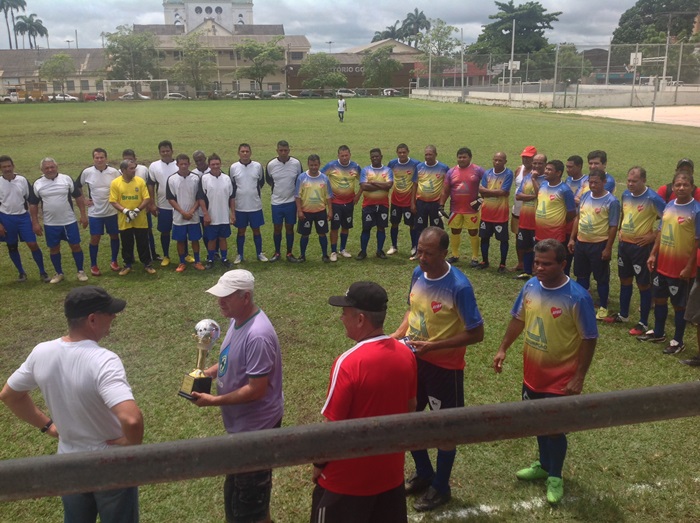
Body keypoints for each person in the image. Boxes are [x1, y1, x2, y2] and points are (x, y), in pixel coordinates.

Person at [0, 286, 144, 522]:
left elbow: (9, 395)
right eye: (110, 313)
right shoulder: (104, 360)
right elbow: (131, 418)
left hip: (68, 463)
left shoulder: (41, 352)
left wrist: (48, 426)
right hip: (112, 465)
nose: (114, 317)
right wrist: (131, 442)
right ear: (93, 319)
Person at [493, 239, 597, 505]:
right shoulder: (529, 286)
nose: (539, 267)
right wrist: (503, 348)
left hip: (560, 379)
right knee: (537, 422)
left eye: (546, 263)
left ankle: (555, 475)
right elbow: (519, 318)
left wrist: (579, 376)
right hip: (532, 373)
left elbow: (588, 338)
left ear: (563, 264)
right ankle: (542, 464)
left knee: (554, 428)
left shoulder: (577, 297)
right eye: (537, 262)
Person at [392, 226, 484, 512]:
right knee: (408, 417)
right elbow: (412, 311)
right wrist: (395, 337)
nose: (422, 257)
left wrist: (435, 345)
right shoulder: (418, 273)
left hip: (445, 368)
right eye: (419, 250)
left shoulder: (459, 286)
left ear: (444, 253)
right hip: (414, 360)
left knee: (445, 428)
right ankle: (424, 473)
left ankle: (441, 487)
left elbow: (476, 333)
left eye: (428, 253)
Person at [311, 282, 417, 523]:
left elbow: (333, 429)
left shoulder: (347, 363)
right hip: (390, 478)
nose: (341, 318)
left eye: (344, 313)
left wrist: (318, 465)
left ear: (360, 319)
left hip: (345, 484)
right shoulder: (406, 355)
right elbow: (411, 409)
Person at [193, 269, 284, 523]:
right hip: (243, 428)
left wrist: (214, 401)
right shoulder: (236, 319)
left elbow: (257, 389)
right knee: (241, 496)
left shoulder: (258, 335)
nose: (219, 301)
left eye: (226, 297)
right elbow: (228, 359)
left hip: (257, 430)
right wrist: (207, 373)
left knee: (248, 507)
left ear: (245, 297)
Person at [638, 171, 700, 355]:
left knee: (679, 305)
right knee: (659, 299)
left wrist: (689, 266)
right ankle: (658, 333)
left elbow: (697, 242)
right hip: (661, 264)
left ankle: (678, 340)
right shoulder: (670, 205)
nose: (681, 188)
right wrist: (652, 254)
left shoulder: (696, 210)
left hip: (680, 267)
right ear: (673, 186)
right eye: (678, 185)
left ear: (692, 187)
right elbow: (661, 231)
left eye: (685, 185)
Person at [603, 167, 664, 333]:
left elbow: (668, 218)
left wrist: (652, 237)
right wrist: (622, 229)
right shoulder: (626, 195)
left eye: (634, 181)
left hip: (641, 248)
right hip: (624, 246)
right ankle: (623, 315)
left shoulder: (653, 198)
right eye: (629, 180)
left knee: (643, 284)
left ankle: (643, 323)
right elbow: (624, 213)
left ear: (643, 180)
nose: (630, 184)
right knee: (625, 280)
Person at [568, 169, 620, 320]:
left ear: (604, 182)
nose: (593, 185)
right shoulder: (585, 196)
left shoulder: (612, 201)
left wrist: (608, 248)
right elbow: (578, 218)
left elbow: (613, 226)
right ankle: (582, 304)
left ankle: (603, 306)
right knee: (581, 275)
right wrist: (572, 238)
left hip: (599, 244)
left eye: (596, 182)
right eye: (590, 182)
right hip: (581, 243)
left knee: (601, 278)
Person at [29, 157, 89, 284]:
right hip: (50, 223)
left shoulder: (66, 179)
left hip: (69, 221)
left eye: (52, 167)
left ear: (57, 167)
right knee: (54, 248)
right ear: (42, 169)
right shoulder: (38, 184)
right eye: (47, 168)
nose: (50, 169)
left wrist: (83, 215)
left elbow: (78, 197)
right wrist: (35, 223)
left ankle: (80, 271)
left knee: (75, 245)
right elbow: (33, 205)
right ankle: (59, 273)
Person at [0, 155, 49, 282]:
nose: (7, 169)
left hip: (23, 217)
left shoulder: (22, 180)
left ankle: (43, 272)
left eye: (9, 166)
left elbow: (31, 200)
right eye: (4, 167)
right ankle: (21, 273)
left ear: (13, 166)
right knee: (12, 246)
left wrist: (35, 220)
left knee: (32, 244)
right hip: (6, 218)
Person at [76, 148, 122, 276]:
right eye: (97, 157)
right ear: (93, 159)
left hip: (111, 211)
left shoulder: (114, 172)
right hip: (95, 212)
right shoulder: (87, 172)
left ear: (106, 158)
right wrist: (84, 198)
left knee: (114, 235)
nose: (99, 160)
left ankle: (114, 261)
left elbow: (121, 186)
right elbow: (77, 186)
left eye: (102, 157)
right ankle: (94, 265)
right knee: (95, 238)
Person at [109, 159, 156, 276]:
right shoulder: (115, 183)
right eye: (131, 168)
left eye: (134, 168)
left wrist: (136, 210)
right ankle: (127, 264)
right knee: (126, 243)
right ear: (123, 170)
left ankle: (147, 264)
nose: (134, 170)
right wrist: (125, 211)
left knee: (143, 242)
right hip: (124, 220)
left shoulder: (140, 181)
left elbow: (147, 198)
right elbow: (113, 201)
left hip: (140, 219)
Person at [439, 147, 485, 266]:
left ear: (470, 157)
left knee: (473, 232)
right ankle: (455, 255)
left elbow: (488, 182)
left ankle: (475, 257)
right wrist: (441, 205)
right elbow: (446, 190)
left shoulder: (478, 170)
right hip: (456, 208)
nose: (462, 159)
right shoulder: (451, 172)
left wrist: (481, 198)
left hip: (471, 209)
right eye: (460, 157)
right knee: (455, 230)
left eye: (464, 157)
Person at [166, 154, 206, 272]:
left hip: (193, 216)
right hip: (179, 216)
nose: (183, 166)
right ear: (177, 164)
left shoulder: (196, 178)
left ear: (189, 164)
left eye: (185, 164)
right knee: (180, 240)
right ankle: (182, 262)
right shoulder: (172, 179)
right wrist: (183, 212)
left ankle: (197, 261)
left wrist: (192, 211)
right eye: (181, 164)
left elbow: (200, 197)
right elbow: (171, 198)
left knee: (195, 239)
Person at [321, 145, 362, 261]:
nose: (344, 157)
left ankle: (342, 249)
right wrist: (327, 194)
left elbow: (363, 181)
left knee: (346, 226)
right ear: (338, 155)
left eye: (346, 155)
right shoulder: (331, 166)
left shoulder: (355, 167)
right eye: (342, 155)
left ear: (350, 155)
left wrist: (358, 195)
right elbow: (320, 178)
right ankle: (333, 251)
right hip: (335, 203)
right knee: (334, 227)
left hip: (349, 202)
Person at [265, 140, 302, 262]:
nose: (283, 153)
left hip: (291, 202)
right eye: (281, 150)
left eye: (285, 150)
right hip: (276, 202)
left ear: (289, 150)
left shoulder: (296, 163)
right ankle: (277, 252)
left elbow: (299, 179)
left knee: (290, 227)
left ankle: (289, 253)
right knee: (277, 228)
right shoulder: (271, 164)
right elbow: (269, 180)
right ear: (277, 151)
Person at [230, 143, 268, 263]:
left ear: (250, 153)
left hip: (254, 205)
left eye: (247, 151)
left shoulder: (257, 166)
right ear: (238, 153)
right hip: (240, 206)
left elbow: (261, 182)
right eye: (242, 151)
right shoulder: (233, 167)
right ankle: (239, 255)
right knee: (241, 231)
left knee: (256, 230)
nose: (245, 153)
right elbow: (232, 185)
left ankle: (259, 253)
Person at [411, 145, 450, 260]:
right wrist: (413, 203)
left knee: (437, 229)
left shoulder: (443, 168)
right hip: (421, 203)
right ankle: (419, 252)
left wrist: (443, 203)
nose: (428, 157)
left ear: (435, 154)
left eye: (430, 154)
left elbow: (447, 187)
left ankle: (438, 253)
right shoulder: (419, 167)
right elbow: (414, 185)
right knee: (419, 228)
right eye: (426, 154)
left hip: (435, 203)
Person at [477, 151, 513, 273]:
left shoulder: (508, 174)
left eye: (500, 160)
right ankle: (484, 261)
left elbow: (504, 192)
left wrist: (488, 191)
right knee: (484, 238)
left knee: (503, 240)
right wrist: (497, 192)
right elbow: (481, 191)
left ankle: (502, 264)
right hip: (486, 212)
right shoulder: (487, 173)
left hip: (500, 214)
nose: (497, 162)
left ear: (505, 162)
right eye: (495, 160)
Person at [147, 140, 179, 267]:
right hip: (163, 205)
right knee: (165, 231)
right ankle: (166, 255)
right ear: (159, 152)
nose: (165, 153)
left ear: (172, 151)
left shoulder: (179, 164)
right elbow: (151, 184)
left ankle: (185, 254)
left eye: (167, 151)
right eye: (163, 151)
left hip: (179, 206)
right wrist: (152, 203)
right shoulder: (154, 166)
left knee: (181, 231)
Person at [357, 148, 394, 260]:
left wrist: (373, 183)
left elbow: (389, 185)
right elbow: (364, 186)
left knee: (381, 228)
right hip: (368, 205)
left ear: (381, 157)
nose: (375, 158)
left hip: (383, 205)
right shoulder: (365, 170)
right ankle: (363, 251)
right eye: (373, 157)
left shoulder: (387, 170)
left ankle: (379, 250)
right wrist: (381, 185)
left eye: (377, 156)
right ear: (370, 158)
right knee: (366, 229)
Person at [514, 153, 546, 280]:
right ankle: (527, 271)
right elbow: (518, 196)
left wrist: (534, 179)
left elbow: (542, 195)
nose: (536, 166)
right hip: (524, 219)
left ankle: (537, 272)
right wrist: (532, 196)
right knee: (526, 246)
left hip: (538, 221)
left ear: (545, 165)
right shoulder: (526, 177)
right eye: (535, 163)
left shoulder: (547, 179)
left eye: (540, 163)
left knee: (537, 248)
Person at [295, 154, 333, 262]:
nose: (313, 167)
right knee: (305, 234)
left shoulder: (324, 178)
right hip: (306, 212)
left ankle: (325, 255)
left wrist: (330, 210)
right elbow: (297, 196)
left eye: (315, 165)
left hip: (320, 211)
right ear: (308, 164)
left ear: (319, 164)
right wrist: (299, 211)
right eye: (311, 165)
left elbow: (329, 196)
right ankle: (302, 255)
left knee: (322, 233)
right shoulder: (302, 177)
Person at [123, 149, 159, 262]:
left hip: (143, 208)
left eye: (130, 159)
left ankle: (152, 254)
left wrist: (150, 203)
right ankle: (130, 258)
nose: (128, 161)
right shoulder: (121, 171)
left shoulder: (143, 169)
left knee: (147, 233)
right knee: (128, 235)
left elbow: (149, 186)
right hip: (127, 209)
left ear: (135, 158)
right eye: (125, 159)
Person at [200, 153, 235, 269]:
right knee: (211, 239)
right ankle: (210, 259)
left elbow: (231, 197)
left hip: (224, 215)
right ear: (209, 165)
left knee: (223, 238)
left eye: (217, 164)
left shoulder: (226, 178)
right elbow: (201, 198)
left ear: (220, 164)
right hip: (211, 215)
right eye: (213, 164)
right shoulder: (204, 178)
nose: (215, 166)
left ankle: (224, 258)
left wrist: (232, 214)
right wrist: (205, 214)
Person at [386, 143, 420, 256]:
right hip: (396, 199)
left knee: (412, 224)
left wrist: (414, 201)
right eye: (399, 152)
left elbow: (418, 182)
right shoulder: (392, 163)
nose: (402, 154)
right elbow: (387, 177)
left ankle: (414, 246)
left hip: (409, 200)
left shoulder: (415, 164)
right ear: (397, 153)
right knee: (394, 223)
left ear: (408, 152)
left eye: (404, 152)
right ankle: (394, 246)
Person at [534, 160, 576, 247]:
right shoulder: (543, 184)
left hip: (555, 235)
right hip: (540, 232)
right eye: (546, 168)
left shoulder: (565, 190)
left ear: (558, 173)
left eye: (549, 170)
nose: (545, 171)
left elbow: (572, 213)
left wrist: (559, 222)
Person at [511, 146, 536, 272]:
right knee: (518, 237)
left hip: (532, 212)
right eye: (524, 157)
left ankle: (533, 265)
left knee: (533, 240)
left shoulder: (538, 173)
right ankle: (520, 263)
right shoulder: (519, 170)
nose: (525, 159)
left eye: (529, 157)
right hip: (517, 209)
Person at [564, 155, 586, 275]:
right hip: (567, 222)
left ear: (579, 166)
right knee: (566, 254)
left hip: (579, 222)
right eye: (567, 167)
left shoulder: (586, 181)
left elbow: (583, 200)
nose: (568, 169)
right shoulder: (568, 180)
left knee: (577, 255)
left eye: (571, 167)